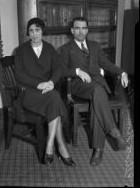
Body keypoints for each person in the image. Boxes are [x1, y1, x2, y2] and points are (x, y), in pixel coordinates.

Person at [59, 17, 129, 167]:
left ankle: (99, 149)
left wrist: (122, 73)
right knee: (98, 92)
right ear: (72, 31)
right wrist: (77, 71)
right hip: (79, 85)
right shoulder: (65, 49)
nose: (81, 31)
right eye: (77, 28)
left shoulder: (95, 46)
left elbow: (106, 64)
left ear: (87, 30)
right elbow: (61, 71)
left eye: (84, 28)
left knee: (97, 102)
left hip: (98, 84)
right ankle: (114, 132)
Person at [14, 17, 75, 167]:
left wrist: (51, 82)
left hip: (47, 90)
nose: (34, 34)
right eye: (31, 31)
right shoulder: (20, 51)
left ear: (42, 32)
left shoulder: (49, 48)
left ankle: (51, 146)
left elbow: (58, 69)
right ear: (28, 32)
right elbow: (19, 75)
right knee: (55, 98)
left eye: (38, 30)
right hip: (29, 93)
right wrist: (39, 84)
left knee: (53, 97)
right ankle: (59, 146)